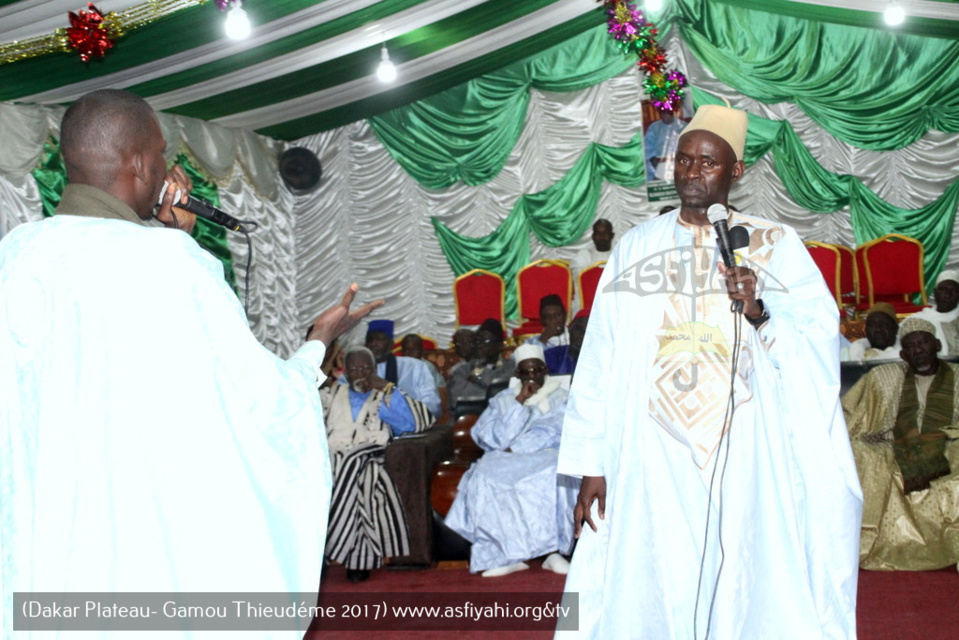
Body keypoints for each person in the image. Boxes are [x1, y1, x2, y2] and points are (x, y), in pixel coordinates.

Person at [0, 89, 381, 633]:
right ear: (138, 163)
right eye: (160, 154)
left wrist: (165, 236)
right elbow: (258, 404)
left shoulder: (15, 256)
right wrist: (317, 343)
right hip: (136, 555)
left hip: (45, 554)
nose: (167, 168)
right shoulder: (170, 265)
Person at [556, 104, 862, 639]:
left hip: (744, 449)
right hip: (651, 448)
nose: (691, 173)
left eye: (707, 163)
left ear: (735, 171)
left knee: (742, 571)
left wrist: (760, 311)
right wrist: (591, 462)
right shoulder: (634, 248)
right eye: (684, 161)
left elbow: (817, 340)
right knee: (655, 571)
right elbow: (600, 360)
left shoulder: (776, 246)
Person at [445, 344, 579, 577]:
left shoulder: (562, 396)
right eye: (525, 372)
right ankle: (506, 556)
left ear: (544, 370)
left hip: (545, 455)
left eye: (536, 370)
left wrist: (519, 446)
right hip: (505, 457)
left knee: (546, 477)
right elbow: (485, 435)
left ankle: (551, 554)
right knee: (484, 476)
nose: (532, 376)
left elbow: (558, 430)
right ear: (517, 374)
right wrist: (520, 401)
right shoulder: (504, 399)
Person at [842, 317, 959, 571]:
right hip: (893, 445)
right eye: (911, 345)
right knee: (862, 452)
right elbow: (852, 416)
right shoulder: (884, 376)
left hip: (948, 446)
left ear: (937, 345)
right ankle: (866, 544)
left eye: (923, 342)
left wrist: (938, 438)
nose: (917, 349)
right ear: (904, 353)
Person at [321, 346, 434, 583]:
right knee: (337, 480)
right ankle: (353, 557)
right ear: (346, 371)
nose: (360, 373)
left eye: (366, 368)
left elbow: (416, 423)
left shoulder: (384, 397)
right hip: (330, 461)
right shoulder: (331, 395)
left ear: (374, 370)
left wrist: (386, 386)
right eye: (354, 368)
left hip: (369, 459)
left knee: (364, 476)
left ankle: (335, 552)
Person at [363, 319, 441, 417]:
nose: (373, 344)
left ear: (391, 344)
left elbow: (433, 405)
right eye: (370, 340)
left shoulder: (415, 366)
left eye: (379, 339)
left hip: (411, 426)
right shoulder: (357, 370)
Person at [447, 318, 515, 408]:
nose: (479, 345)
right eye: (477, 341)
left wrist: (474, 381)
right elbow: (456, 400)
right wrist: (490, 391)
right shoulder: (463, 370)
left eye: (485, 341)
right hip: (468, 417)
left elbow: (511, 399)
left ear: (500, 345)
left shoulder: (511, 367)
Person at [906, 270, 959, 356]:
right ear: (935, 292)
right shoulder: (919, 320)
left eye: (954, 291)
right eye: (943, 289)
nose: (948, 295)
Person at [643, 108, 686, 182]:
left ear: (672, 114)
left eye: (667, 114)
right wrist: (654, 160)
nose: (664, 117)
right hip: (659, 162)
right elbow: (647, 147)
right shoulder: (654, 127)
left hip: (678, 161)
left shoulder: (682, 126)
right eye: (662, 114)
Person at [544, 311, 589, 376]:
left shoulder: (602, 360)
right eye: (578, 329)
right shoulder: (551, 355)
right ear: (570, 328)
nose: (582, 336)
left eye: (588, 333)